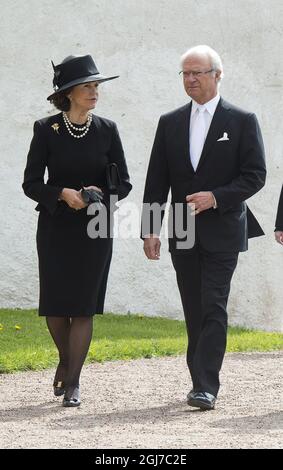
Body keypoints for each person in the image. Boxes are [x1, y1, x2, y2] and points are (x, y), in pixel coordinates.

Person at [142, 45, 266, 410]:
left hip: (224, 227)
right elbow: (156, 182)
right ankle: (199, 380)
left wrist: (216, 196)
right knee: (193, 307)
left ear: (217, 75)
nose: (190, 79)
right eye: (185, 73)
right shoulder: (170, 122)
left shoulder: (242, 120)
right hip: (182, 228)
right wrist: (150, 229)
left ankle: (206, 386)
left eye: (197, 72)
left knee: (213, 304)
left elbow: (255, 176)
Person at [23, 54, 132, 407]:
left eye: (97, 86)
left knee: (83, 307)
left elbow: (124, 184)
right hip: (55, 227)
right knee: (55, 306)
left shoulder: (108, 130)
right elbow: (30, 184)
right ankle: (67, 358)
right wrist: (62, 194)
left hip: (95, 230)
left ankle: (73, 383)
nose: (94, 92)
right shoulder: (45, 130)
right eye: (88, 86)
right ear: (69, 93)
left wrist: (99, 195)